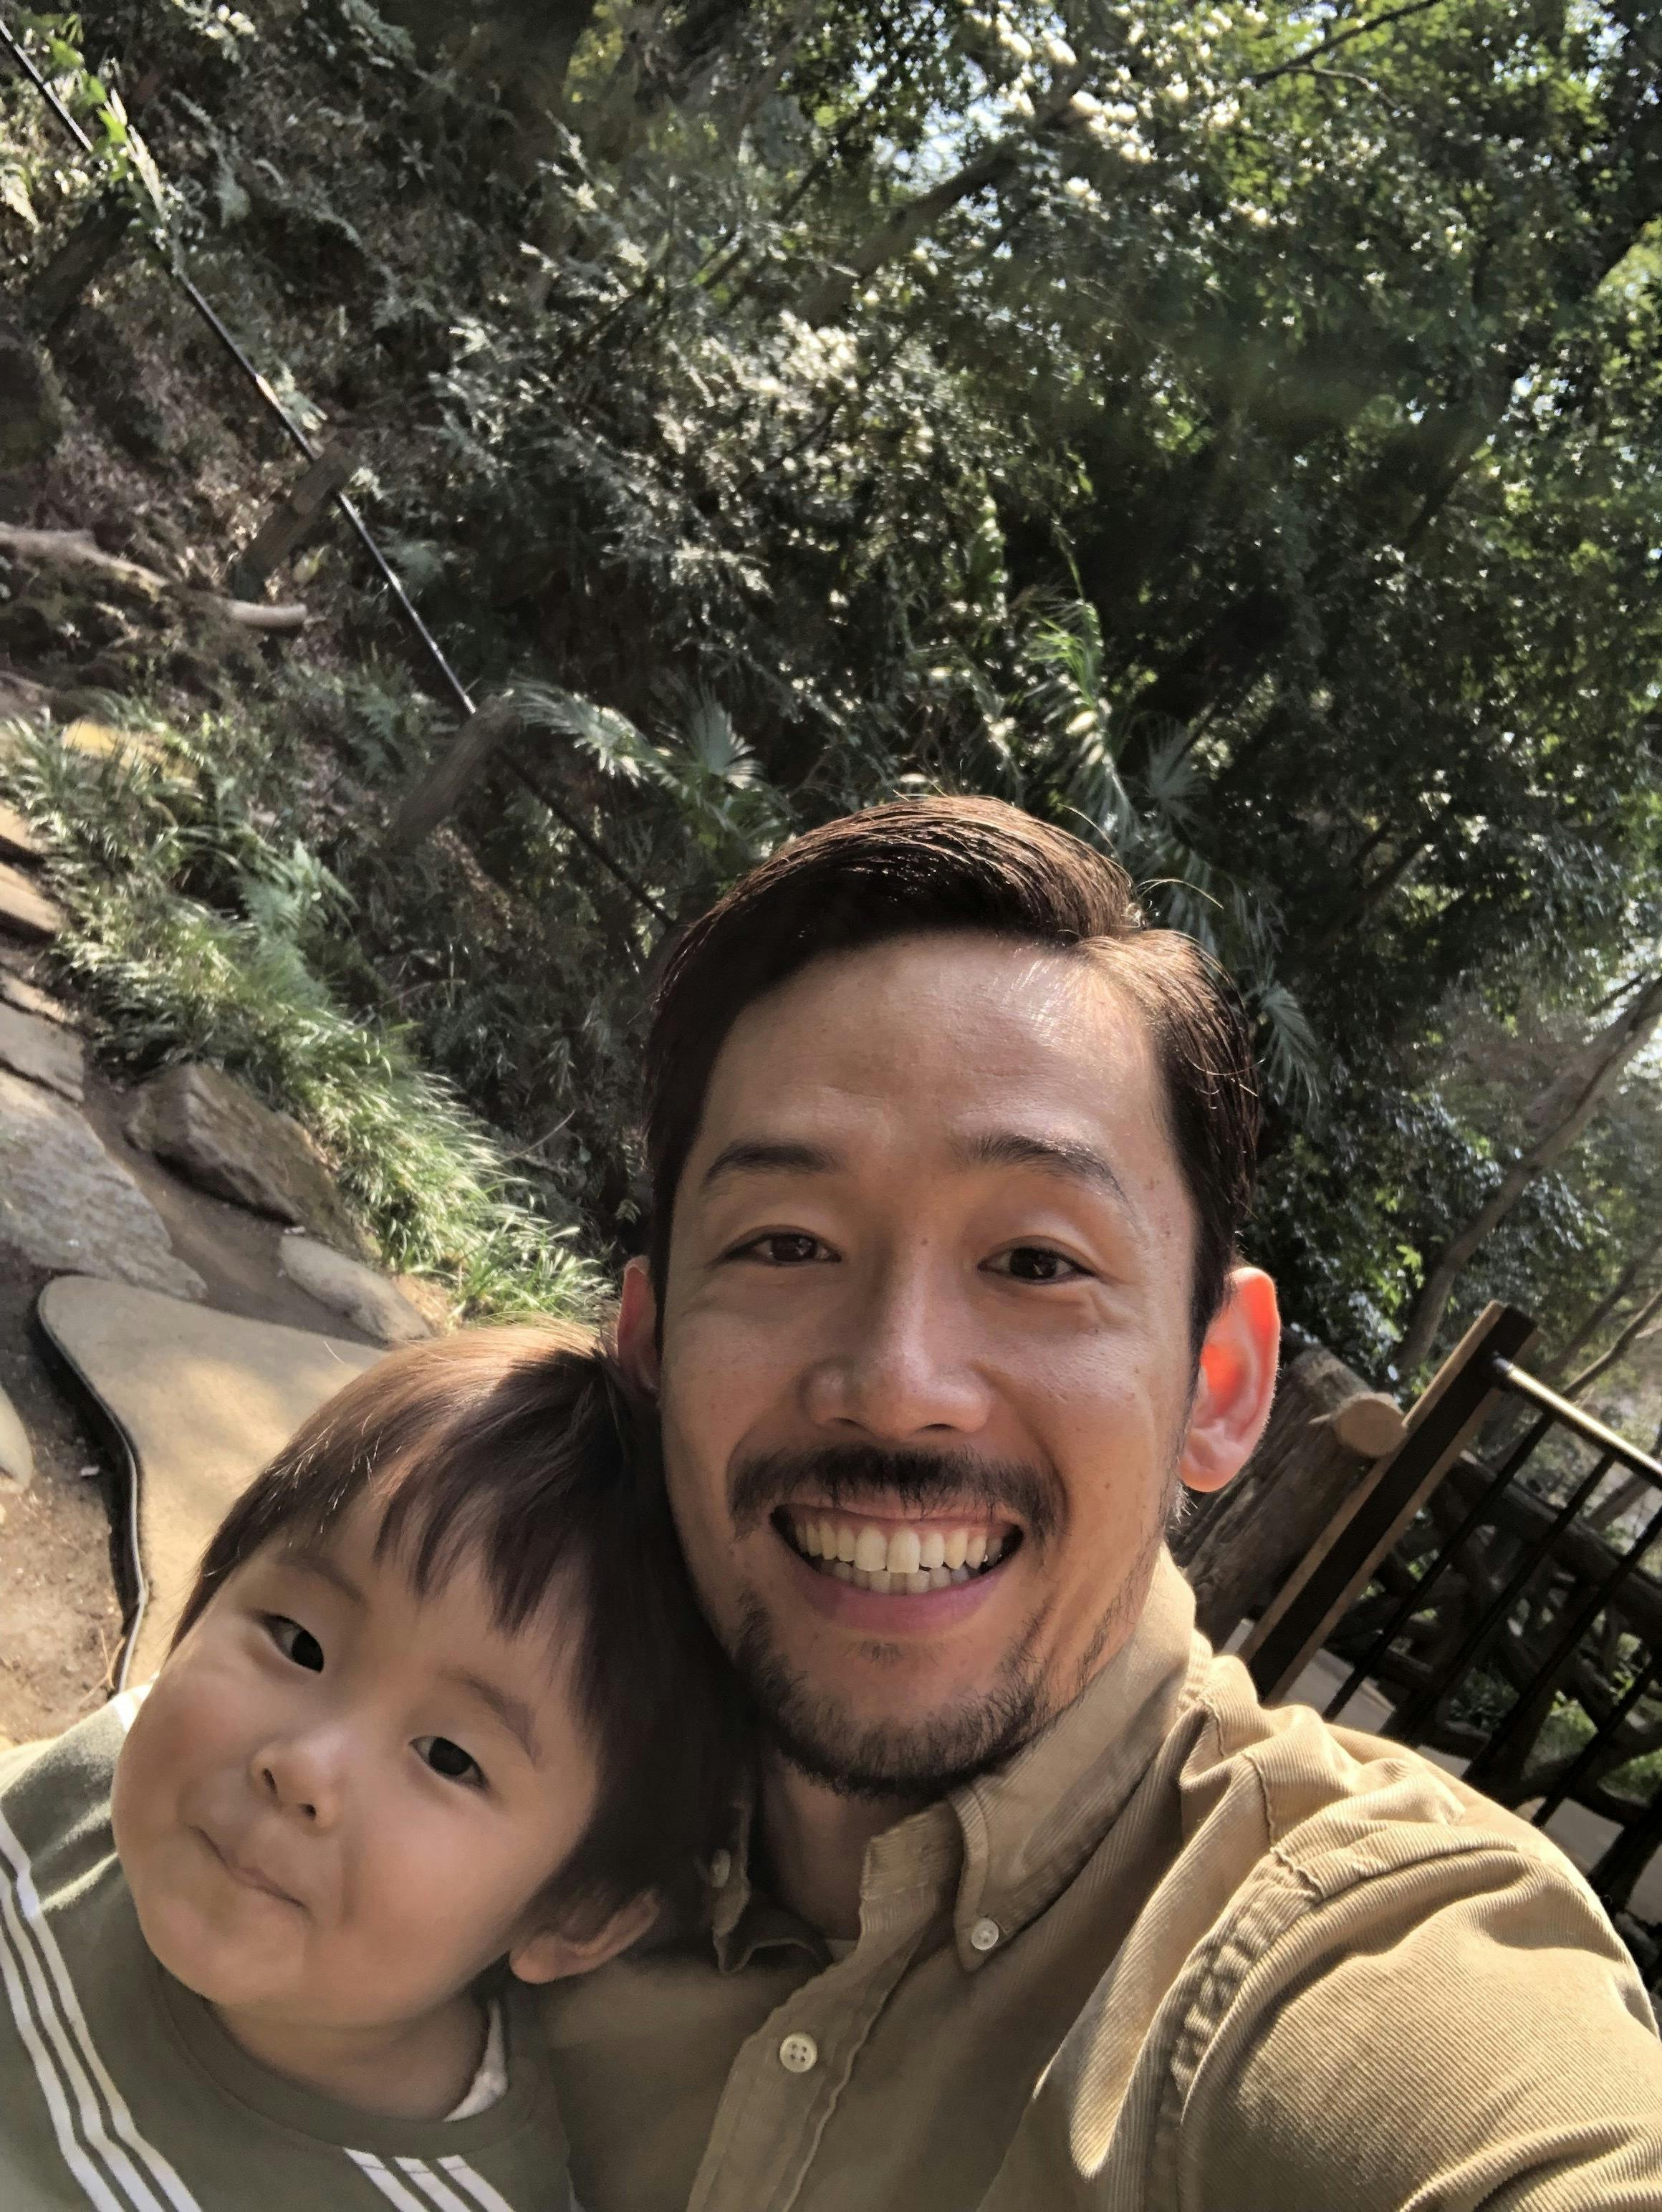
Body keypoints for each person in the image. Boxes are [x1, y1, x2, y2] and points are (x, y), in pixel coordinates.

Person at [541, 796, 1662, 2210]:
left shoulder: (1330, 1946)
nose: (895, 1383)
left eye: (1036, 1261)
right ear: (648, 1347)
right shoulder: (478, 1748)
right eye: (786, 1242)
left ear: (1219, 1384)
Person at [0, 1324, 736, 2209]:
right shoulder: (95, 1778)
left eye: (449, 1758)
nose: (303, 1769)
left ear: (577, 1916)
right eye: (298, 1642)